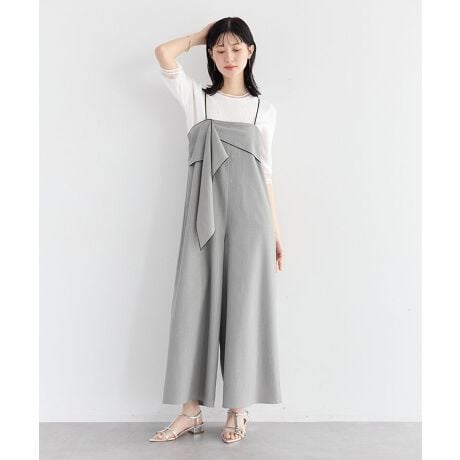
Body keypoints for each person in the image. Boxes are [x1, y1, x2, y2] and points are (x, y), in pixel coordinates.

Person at [150, 17, 283, 444]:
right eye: (220, 48)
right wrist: (198, 36)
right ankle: (190, 412)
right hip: (202, 219)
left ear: (250, 51)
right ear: (211, 52)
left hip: (251, 219)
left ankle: (238, 410)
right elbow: (163, 54)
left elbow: (265, 175)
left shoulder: (264, 110)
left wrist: (276, 233)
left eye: (237, 48)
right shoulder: (198, 99)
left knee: (244, 308)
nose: (229, 56)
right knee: (194, 307)